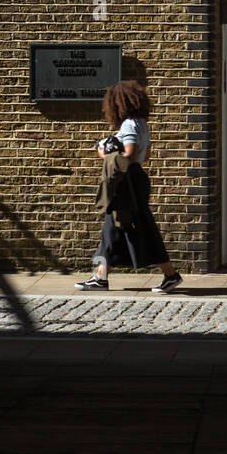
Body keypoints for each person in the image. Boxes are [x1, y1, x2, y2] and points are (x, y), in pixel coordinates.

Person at [75, 79, 182, 294]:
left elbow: (130, 155)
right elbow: (146, 156)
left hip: (127, 181)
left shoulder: (129, 124)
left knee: (136, 227)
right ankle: (100, 277)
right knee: (114, 229)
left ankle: (171, 275)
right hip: (135, 177)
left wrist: (104, 153)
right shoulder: (141, 123)